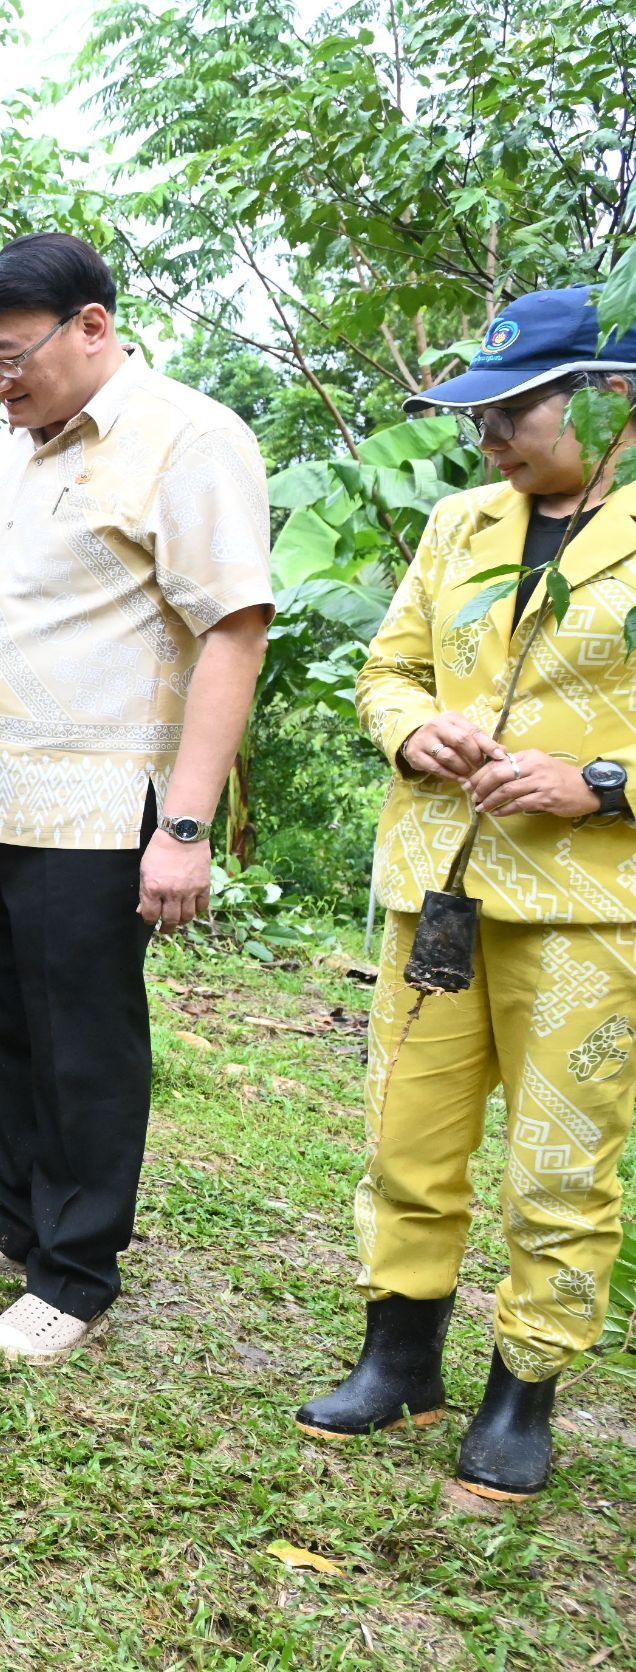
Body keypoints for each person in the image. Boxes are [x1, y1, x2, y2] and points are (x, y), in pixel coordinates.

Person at [0, 233, 272, 1365]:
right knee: (0, 1021)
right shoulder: (14, 448)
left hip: (96, 802)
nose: (1, 384)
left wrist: (186, 827)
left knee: (82, 1040)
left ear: (94, 326)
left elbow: (233, 630)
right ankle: (17, 1221)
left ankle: (76, 1271)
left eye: (17, 357)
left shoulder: (191, 439)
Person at [296, 285, 636, 1502]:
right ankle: (401, 1358)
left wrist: (600, 780)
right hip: (438, 881)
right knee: (408, 1129)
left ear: (608, 395)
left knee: (557, 1159)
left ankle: (522, 1390)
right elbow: (388, 667)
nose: (486, 439)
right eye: (473, 419)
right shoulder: (458, 524)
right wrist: (410, 731)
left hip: (593, 909)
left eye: (510, 414)